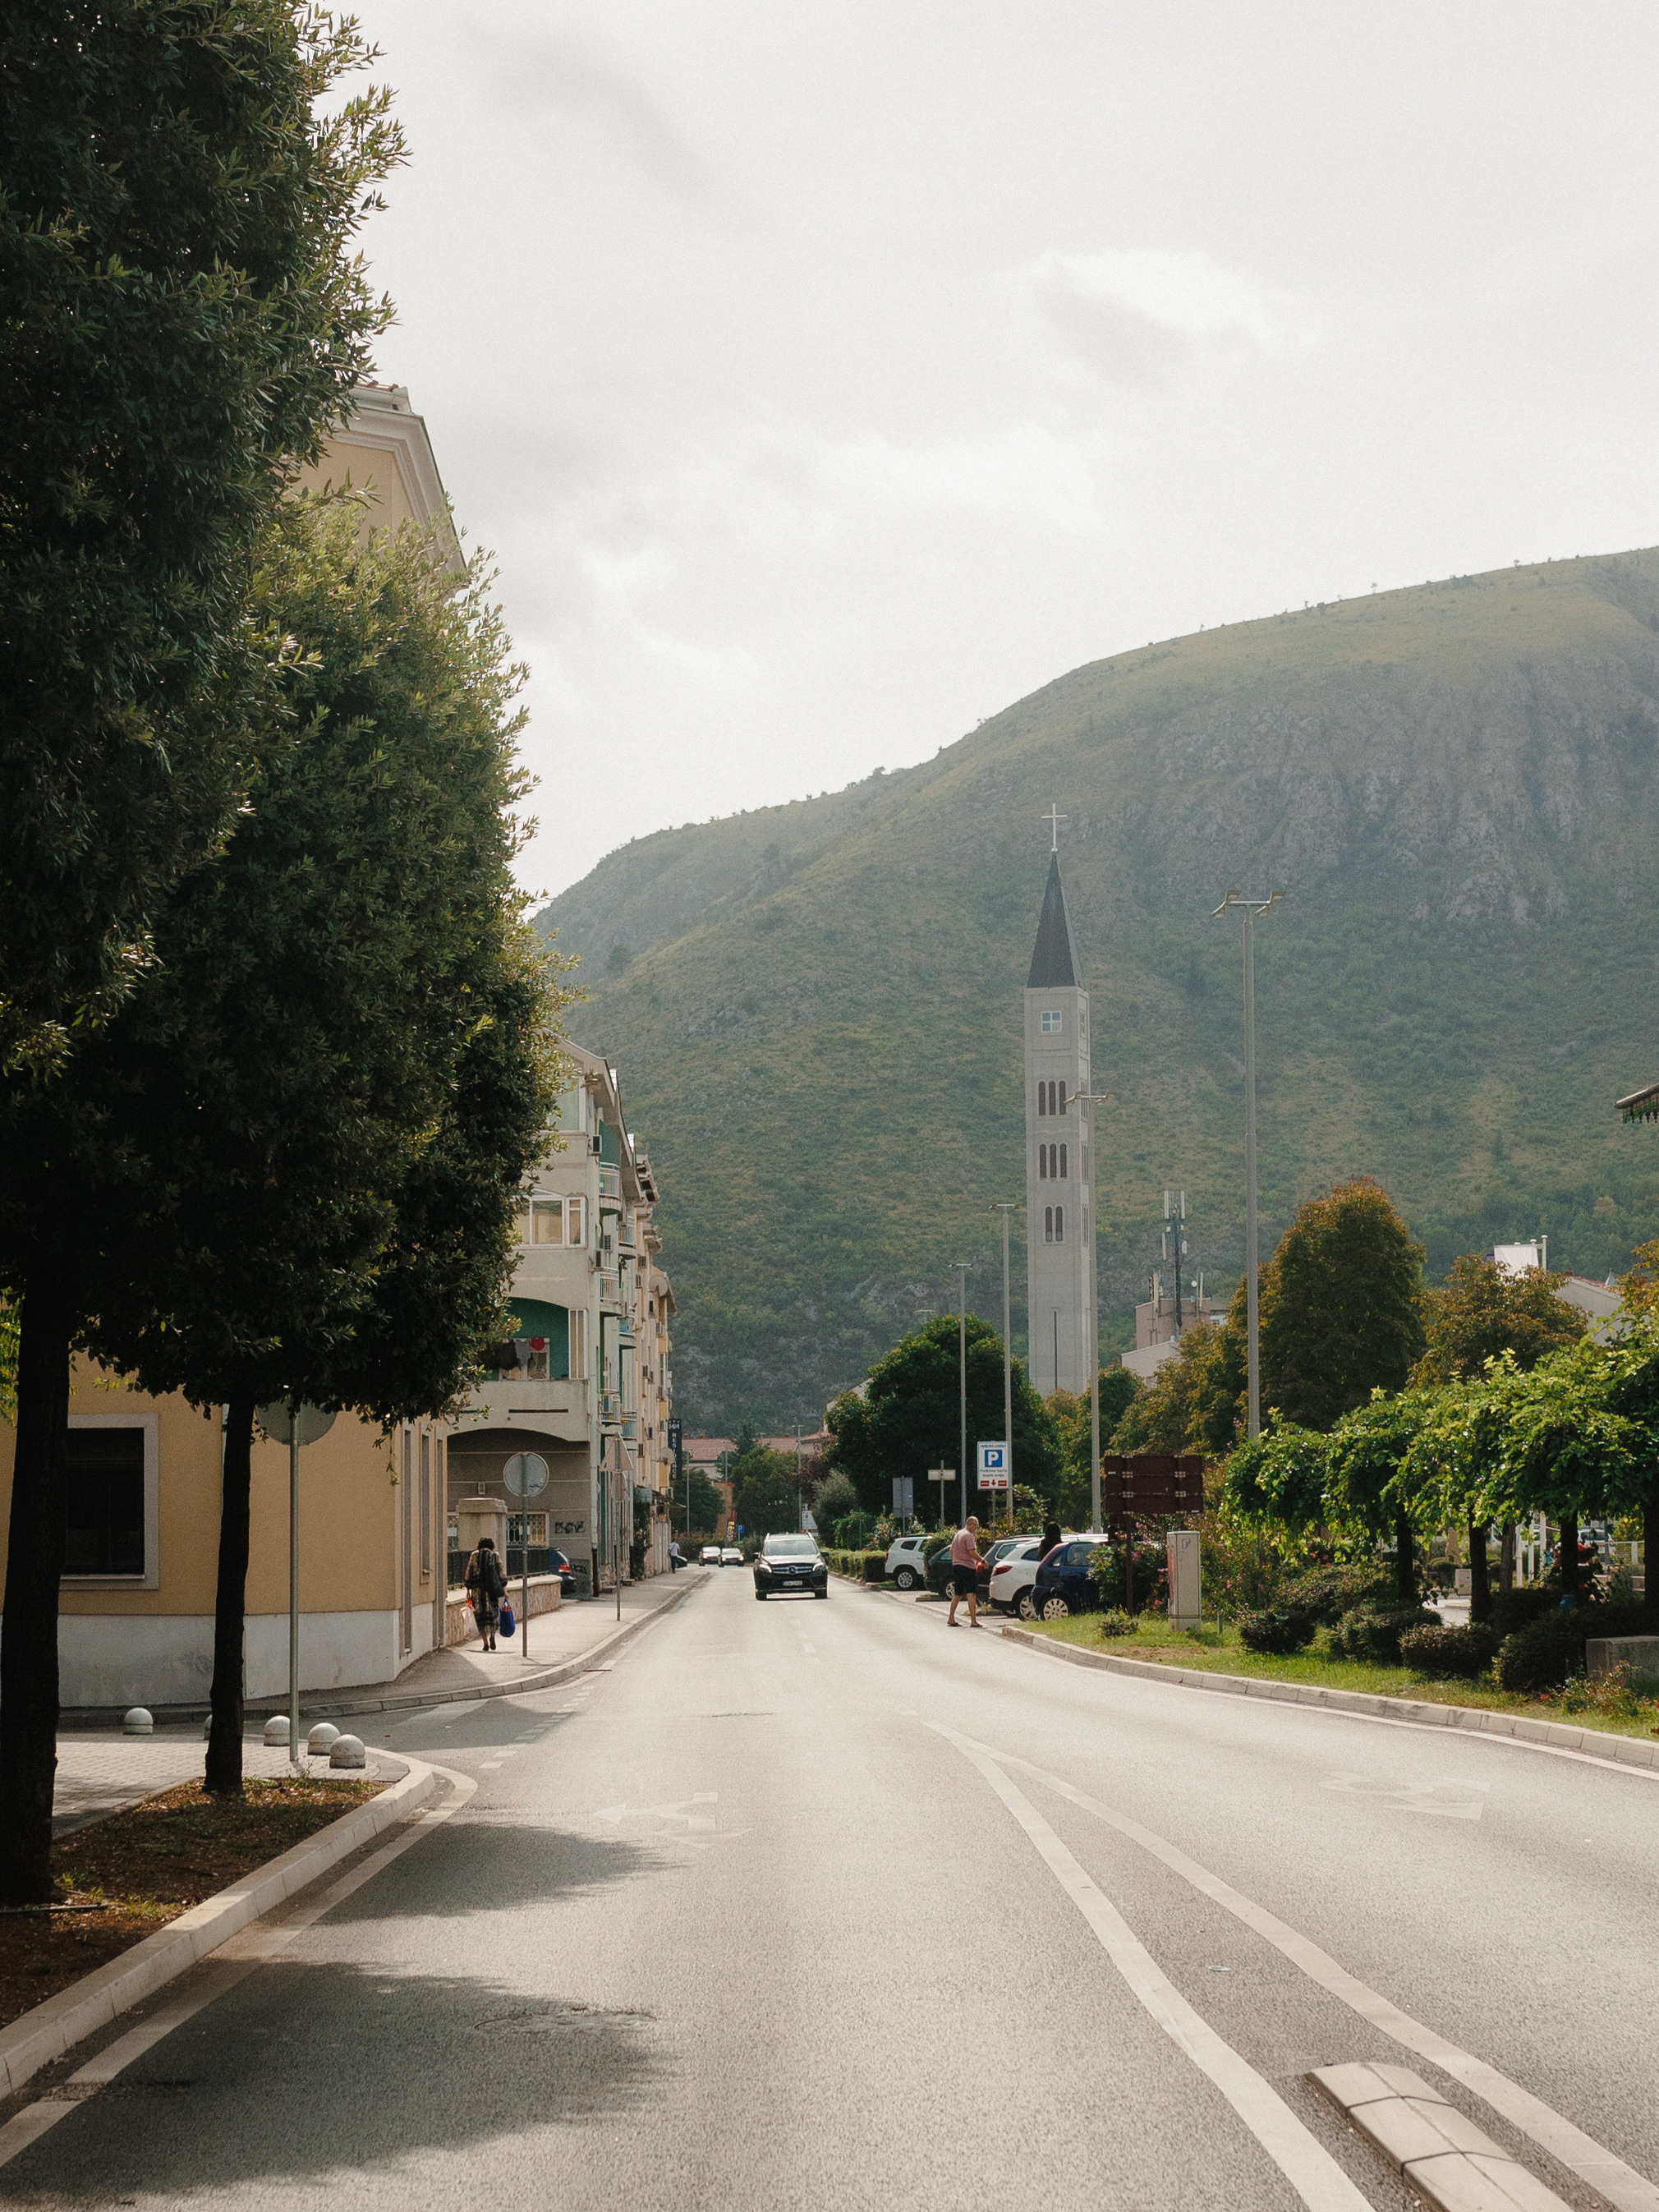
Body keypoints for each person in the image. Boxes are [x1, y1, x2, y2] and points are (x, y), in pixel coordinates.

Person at [465, 1534, 507, 1651]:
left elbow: (469, 1573)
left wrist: (468, 1590)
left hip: (477, 1590)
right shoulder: (495, 1556)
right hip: (491, 1590)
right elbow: (501, 1573)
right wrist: (504, 1589)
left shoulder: (474, 1556)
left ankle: (485, 1643)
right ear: (491, 1546)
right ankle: (492, 1636)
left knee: (480, 1617)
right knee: (492, 1614)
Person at [946, 1515, 983, 1628]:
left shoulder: (958, 1534)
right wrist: (982, 1560)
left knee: (958, 1593)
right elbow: (971, 1551)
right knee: (971, 1593)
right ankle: (973, 1620)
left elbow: (951, 1550)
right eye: (975, 1526)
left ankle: (951, 1618)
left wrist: (955, 1561)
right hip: (967, 1567)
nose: (976, 1528)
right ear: (970, 1524)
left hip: (957, 1566)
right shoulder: (969, 1535)